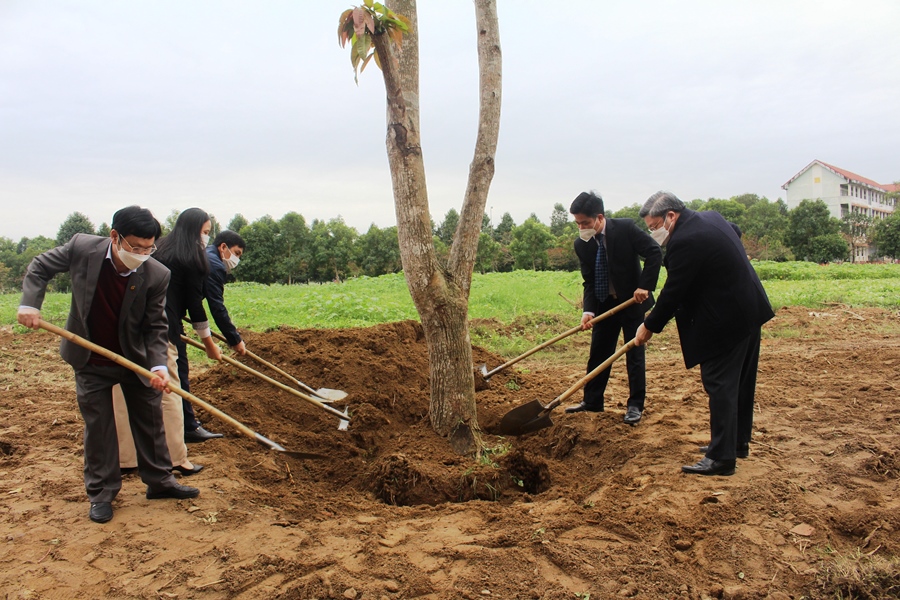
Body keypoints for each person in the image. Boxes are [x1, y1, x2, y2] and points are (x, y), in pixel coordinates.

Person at [17, 206, 199, 524]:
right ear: (114, 237)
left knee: (150, 419)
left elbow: (156, 326)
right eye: (135, 247)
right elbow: (39, 267)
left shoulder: (157, 274)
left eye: (149, 248)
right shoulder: (82, 248)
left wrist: (158, 365)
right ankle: (101, 493)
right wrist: (30, 304)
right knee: (99, 428)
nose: (142, 254)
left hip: (135, 357)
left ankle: (160, 481)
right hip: (90, 357)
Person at [634, 191, 775, 476]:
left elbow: (674, 292)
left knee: (720, 384)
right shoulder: (710, 218)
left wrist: (648, 325)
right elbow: (733, 232)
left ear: (671, 216)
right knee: (740, 383)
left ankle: (721, 458)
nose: (654, 234)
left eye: (654, 227)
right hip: (750, 308)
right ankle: (735, 444)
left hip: (726, 319)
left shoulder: (686, 241)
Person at [114, 208, 221, 480]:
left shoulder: (158, 248)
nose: (206, 238)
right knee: (169, 391)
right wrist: (208, 343)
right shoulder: (193, 258)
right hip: (161, 329)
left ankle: (126, 459)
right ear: (196, 230)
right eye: (206, 232)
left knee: (122, 391)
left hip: (126, 328)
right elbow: (195, 306)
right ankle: (176, 458)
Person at [563, 191, 662, 424]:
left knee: (634, 353)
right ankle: (592, 401)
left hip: (632, 303)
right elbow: (589, 280)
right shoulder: (582, 244)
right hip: (604, 303)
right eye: (577, 223)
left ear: (599, 217)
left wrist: (644, 286)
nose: (581, 227)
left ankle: (635, 406)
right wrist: (588, 311)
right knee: (598, 352)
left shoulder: (625, 229)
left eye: (585, 222)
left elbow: (653, 252)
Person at [203, 230, 247, 356]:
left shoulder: (206, 254)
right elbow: (217, 306)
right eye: (236, 253)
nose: (236, 260)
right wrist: (235, 340)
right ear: (223, 247)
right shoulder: (214, 265)